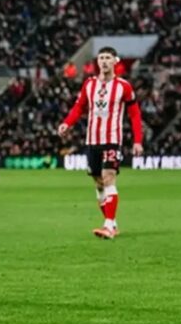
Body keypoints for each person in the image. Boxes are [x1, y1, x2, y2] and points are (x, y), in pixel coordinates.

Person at [57, 47, 143, 239]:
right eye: (101, 58)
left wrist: (138, 141)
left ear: (115, 61)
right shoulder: (89, 84)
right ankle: (112, 223)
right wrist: (66, 123)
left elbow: (135, 114)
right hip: (92, 140)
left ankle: (108, 226)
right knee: (98, 184)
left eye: (108, 58)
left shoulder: (124, 86)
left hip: (112, 139)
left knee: (108, 177)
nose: (104, 61)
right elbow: (79, 107)